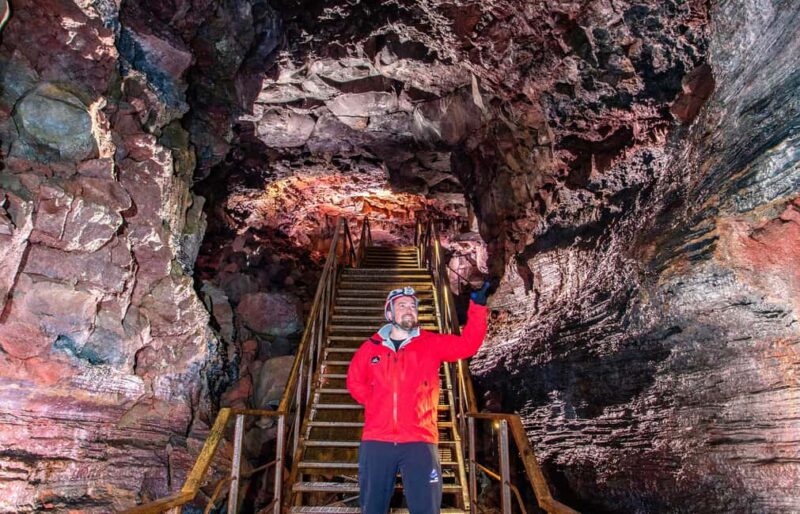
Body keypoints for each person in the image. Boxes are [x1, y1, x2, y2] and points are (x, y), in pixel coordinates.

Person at [346, 284, 489, 514]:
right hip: (376, 441)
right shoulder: (370, 349)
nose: (409, 309)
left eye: (413, 305)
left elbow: (467, 346)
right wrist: (374, 403)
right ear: (390, 313)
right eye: (402, 305)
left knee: (426, 508)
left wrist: (478, 308)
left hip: (419, 440)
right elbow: (354, 381)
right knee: (372, 507)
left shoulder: (430, 343)